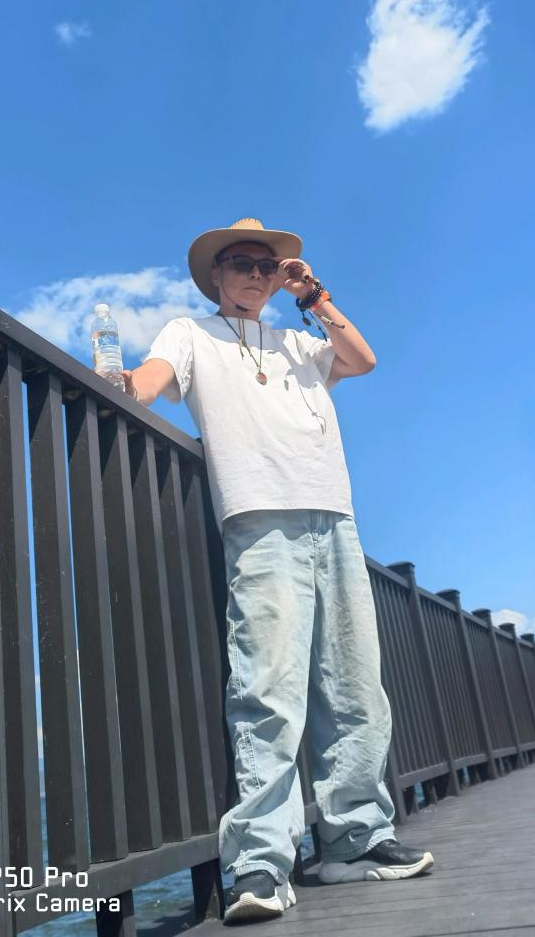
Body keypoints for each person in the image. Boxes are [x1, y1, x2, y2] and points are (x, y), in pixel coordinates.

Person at [122, 218, 434, 926]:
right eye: (242, 263)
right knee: (268, 686)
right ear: (216, 273)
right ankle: (262, 859)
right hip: (259, 515)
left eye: (269, 266)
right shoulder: (190, 331)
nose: (257, 275)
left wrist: (313, 294)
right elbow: (150, 380)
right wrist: (122, 382)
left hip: (334, 514)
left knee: (354, 685)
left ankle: (355, 840)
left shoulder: (299, 341)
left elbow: (362, 359)